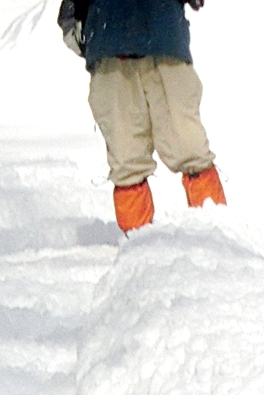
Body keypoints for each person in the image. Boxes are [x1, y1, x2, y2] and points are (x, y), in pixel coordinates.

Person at [58, 0, 226, 233]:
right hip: (146, 39)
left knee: (176, 150)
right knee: (138, 158)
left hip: (135, 40)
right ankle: (144, 246)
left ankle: (213, 237)